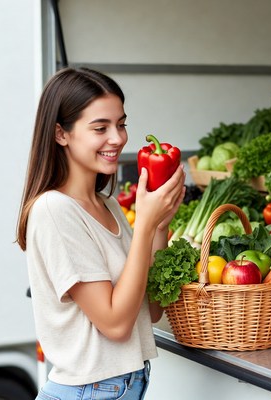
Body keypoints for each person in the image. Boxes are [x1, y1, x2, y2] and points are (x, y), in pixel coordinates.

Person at [16, 67, 186, 399]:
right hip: (87, 391)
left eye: (121, 124)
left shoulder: (108, 206)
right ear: (61, 134)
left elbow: (149, 311)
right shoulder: (54, 210)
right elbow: (115, 324)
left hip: (121, 387)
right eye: (100, 128)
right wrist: (146, 225)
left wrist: (160, 227)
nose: (118, 138)